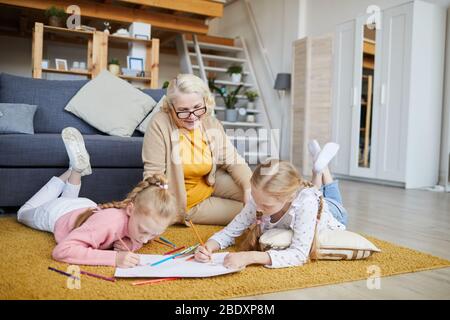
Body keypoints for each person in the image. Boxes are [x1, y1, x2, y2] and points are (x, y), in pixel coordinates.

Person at [17, 127, 178, 268]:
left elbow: (140, 238)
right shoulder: (108, 223)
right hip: (56, 213)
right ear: (130, 210)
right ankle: (71, 170)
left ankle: (76, 170)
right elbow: (62, 251)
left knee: (68, 199)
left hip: (85, 207)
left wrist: (131, 243)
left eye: (153, 234)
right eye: (143, 232)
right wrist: (114, 258)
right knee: (23, 213)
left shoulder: (139, 220)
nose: (145, 241)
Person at [194, 141, 348, 269]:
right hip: (309, 198)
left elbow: (300, 254)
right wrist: (208, 247)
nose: (258, 209)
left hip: (334, 214)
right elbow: (229, 231)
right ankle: (318, 170)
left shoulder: (305, 203)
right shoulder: (260, 199)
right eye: (255, 200)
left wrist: (251, 257)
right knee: (315, 190)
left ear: (289, 197)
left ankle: (322, 170)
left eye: (266, 206)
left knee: (330, 196)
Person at [142, 74, 253, 226]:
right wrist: (158, 212)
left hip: (210, 183)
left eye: (197, 108)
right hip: (186, 202)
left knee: (260, 196)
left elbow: (233, 160)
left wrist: (248, 188)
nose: (192, 116)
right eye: (183, 110)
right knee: (249, 212)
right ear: (171, 108)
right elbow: (153, 175)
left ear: (205, 102)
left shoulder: (210, 122)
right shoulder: (159, 124)